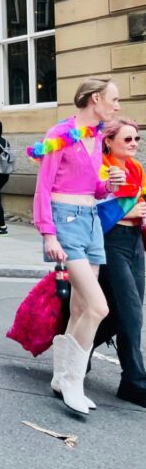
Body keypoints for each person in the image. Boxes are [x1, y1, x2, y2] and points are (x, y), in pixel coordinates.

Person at [35, 76, 124, 415]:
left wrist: (108, 184)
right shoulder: (60, 134)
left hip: (90, 221)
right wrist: (48, 233)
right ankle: (74, 380)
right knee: (98, 307)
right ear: (95, 99)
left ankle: (61, 377)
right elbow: (44, 187)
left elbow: (92, 188)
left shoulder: (96, 136)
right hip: (65, 221)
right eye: (113, 99)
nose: (116, 106)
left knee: (78, 308)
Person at [94, 117, 146, 407]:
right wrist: (131, 211)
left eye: (136, 139)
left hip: (135, 243)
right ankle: (134, 381)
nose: (134, 144)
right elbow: (96, 206)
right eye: (127, 139)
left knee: (124, 313)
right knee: (130, 313)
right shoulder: (101, 168)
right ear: (109, 141)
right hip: (111, 242)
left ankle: (81, 349)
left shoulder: (137, 169)